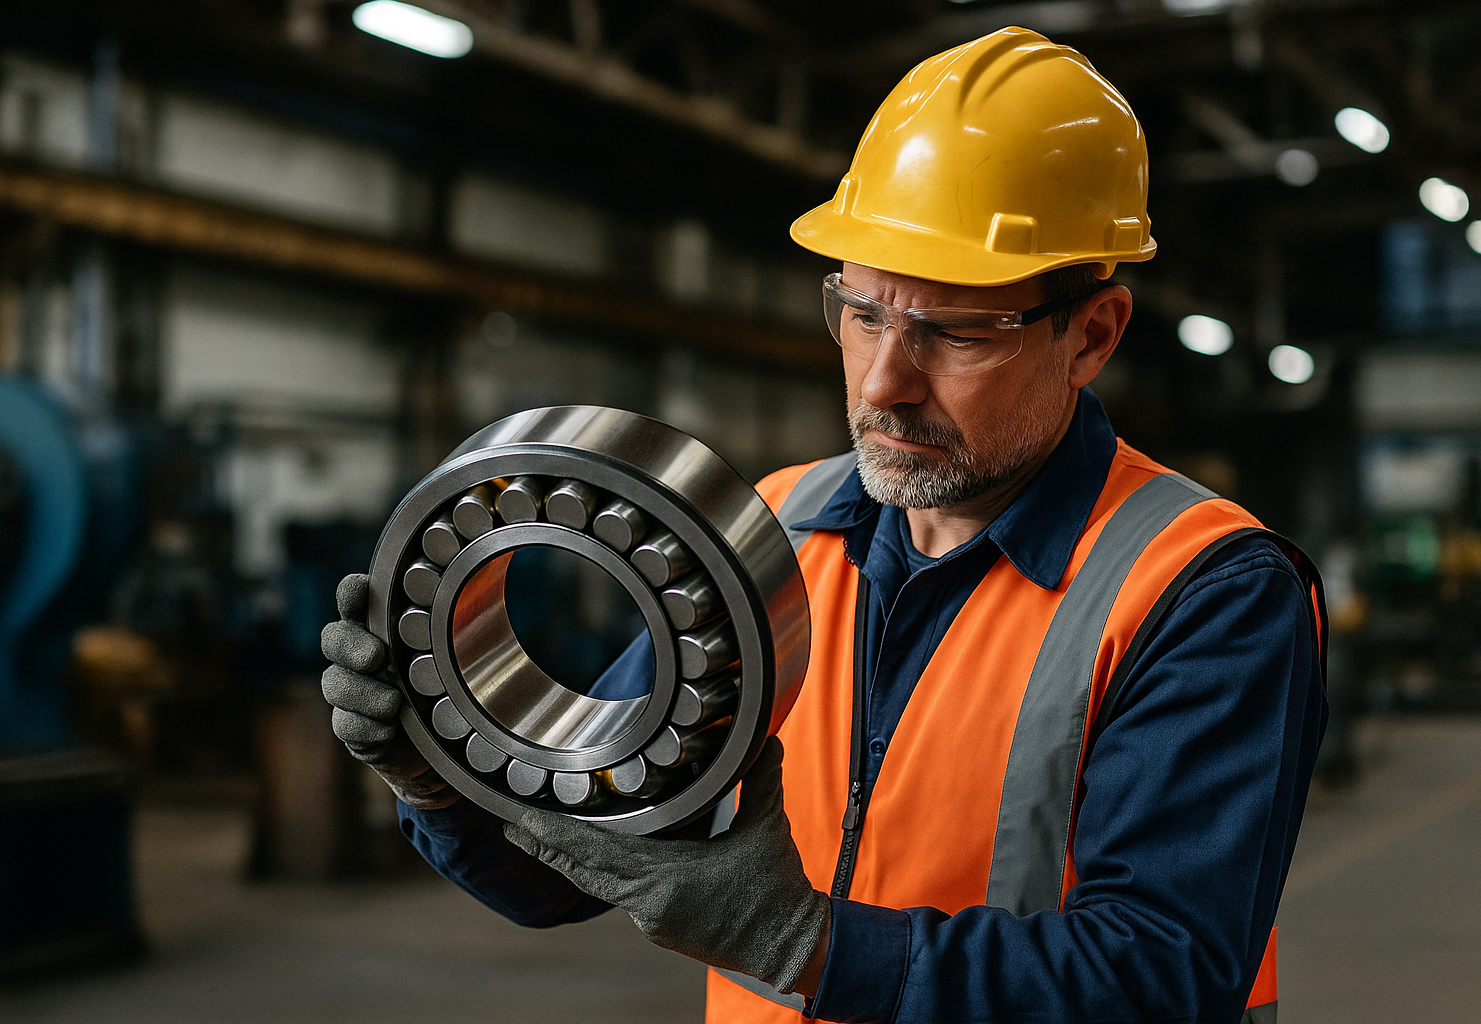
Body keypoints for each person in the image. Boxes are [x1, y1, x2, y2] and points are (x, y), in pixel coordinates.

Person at [321, 27, 1326, 1024]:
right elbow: (586, 863)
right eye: (865, 314)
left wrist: (803, 942)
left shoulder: (1203, 590)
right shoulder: (779, 530)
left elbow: (1164, 976)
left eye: (952, 331)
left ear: (1091, 336)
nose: (886, 382)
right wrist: (442, 782)